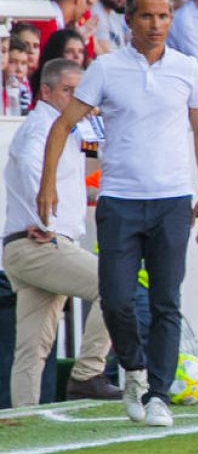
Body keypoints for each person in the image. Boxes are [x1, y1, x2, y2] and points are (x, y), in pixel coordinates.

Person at [37, 0, 198, 428]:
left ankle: (158, 395)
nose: (155, 25)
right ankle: (133, 370)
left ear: (171, 20)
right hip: (120, 200)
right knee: (116, 299)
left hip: (173, 201)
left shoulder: (187, 68)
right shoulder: (105, 69)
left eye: (163, 16)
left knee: (165, 301)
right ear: (129, 20)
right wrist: (47, 185)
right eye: (146, 16)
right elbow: (63, 126)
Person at [4, 58, 122, 406]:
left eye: (79, 92)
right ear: (46, 91)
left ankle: (25, 418)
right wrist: (46, 224)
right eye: (68, 91)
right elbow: (29, 165)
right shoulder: (42, 127)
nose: (75, 98)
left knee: (32, 346)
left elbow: (68, 180)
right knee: (114, 286)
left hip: (26, 247)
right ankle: (88, 373)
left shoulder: (66, 130)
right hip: (39, 243)